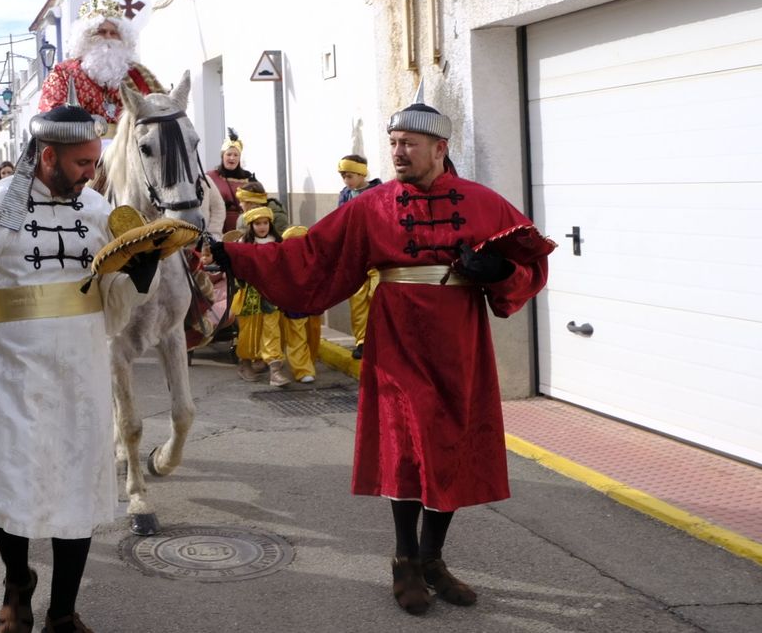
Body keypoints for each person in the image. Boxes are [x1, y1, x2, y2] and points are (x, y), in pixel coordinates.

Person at [210, 96, 553, 616]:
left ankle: (433, 559)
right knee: (406, 444)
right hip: (398, 339)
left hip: (460, 341)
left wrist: (498, 273)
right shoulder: (372, 206)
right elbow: (312, 254)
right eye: (393, 143)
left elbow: (531, 265)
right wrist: (234, 254)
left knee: (451, 444)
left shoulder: (484, 203)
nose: (397, 152)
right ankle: (404, 560)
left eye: (408, 143)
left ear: (439, 148)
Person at [0, 90, 157, 633]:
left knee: (76, 484)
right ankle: (18, 581)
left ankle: (62, 611)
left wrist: (140, 274)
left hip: (80, 369)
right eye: (82, 163)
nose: (90, 173)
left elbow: (114, 296)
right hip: (7, 372)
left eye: (94, 162)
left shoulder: (99, 210)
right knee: (8, 478)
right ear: (48, 157)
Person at [36, 0, 161, 129]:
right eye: (101, 32)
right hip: (81, 141)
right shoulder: (63, 73)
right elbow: (52, 119)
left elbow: (162, 112)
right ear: (85, 37)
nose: (108, 37)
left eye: (114, 33)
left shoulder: (138, 75)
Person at [232, 207, 284, 384]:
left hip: (272, 295)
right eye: (257, 224)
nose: (262, 227)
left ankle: (275, 370)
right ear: (250, 226)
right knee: (248, 333)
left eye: (265, 223)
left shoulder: (278, 244)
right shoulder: (243, 245)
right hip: (249, 295)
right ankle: (245, 363)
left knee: (272, 330)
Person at [338, 154, 383, 360]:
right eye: (343, 177)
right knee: (357, 299)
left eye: (349, 176)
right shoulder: (345, 194)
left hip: (375, 252)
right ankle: (362, 341)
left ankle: (379, 337)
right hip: (355, 253)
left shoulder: (378, 192)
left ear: (361, 174)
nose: (346, 181)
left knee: (377, 294)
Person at [270, 225, 318, 386]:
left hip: (312, 305)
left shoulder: (314, 260)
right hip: (293, 306)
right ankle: (302, 369)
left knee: (312, 336)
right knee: (296, 335)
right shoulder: (282, 262)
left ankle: (307, 363)